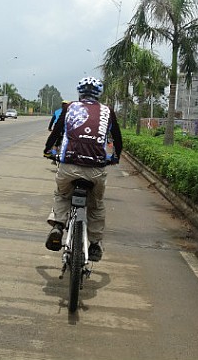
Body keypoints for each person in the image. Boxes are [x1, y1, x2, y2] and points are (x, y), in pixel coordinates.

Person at [42, 76, 122, 262]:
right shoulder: (107, 111)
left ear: (80, 93)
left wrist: (47, 150)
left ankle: (58, 226)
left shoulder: (70, 107)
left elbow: (56, 132)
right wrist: (115, 157)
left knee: (63, 195)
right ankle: (94, 244)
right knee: (96, 205)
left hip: (69, 166)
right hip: (96, 170)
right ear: (99, 94)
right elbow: (117, 139)